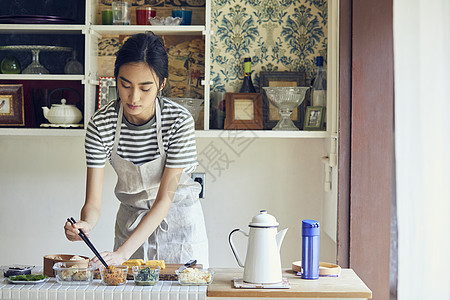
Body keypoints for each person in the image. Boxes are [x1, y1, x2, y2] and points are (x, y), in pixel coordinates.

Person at [64, 32, 209, 267]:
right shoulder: (101, 125)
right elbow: (92, 203)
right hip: (130, 225)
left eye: (145, 88)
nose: (133, 97)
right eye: (125, 85)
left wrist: (122, 254)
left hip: (179, 227)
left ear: (162, 84)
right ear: (116, 78)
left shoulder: (179, 121)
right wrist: (85, 225)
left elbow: (164, 200)